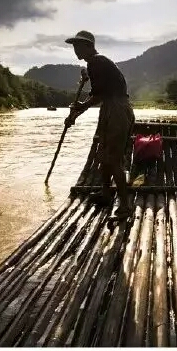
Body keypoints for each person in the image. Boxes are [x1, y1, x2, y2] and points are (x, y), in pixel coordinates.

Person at [64, 30, 135, 221]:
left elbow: (97, 96)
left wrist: (80, 108)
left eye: (78, 46)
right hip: (110, 108)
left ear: (89, 46)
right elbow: (99, 93)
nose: (75, 50)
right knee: (103, 155)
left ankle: (125, 207)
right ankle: (105, 194)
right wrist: (80, 109)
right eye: (73, 46)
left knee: (113, 159)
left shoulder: (96, 62)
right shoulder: (95, 64)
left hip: (117, 110)